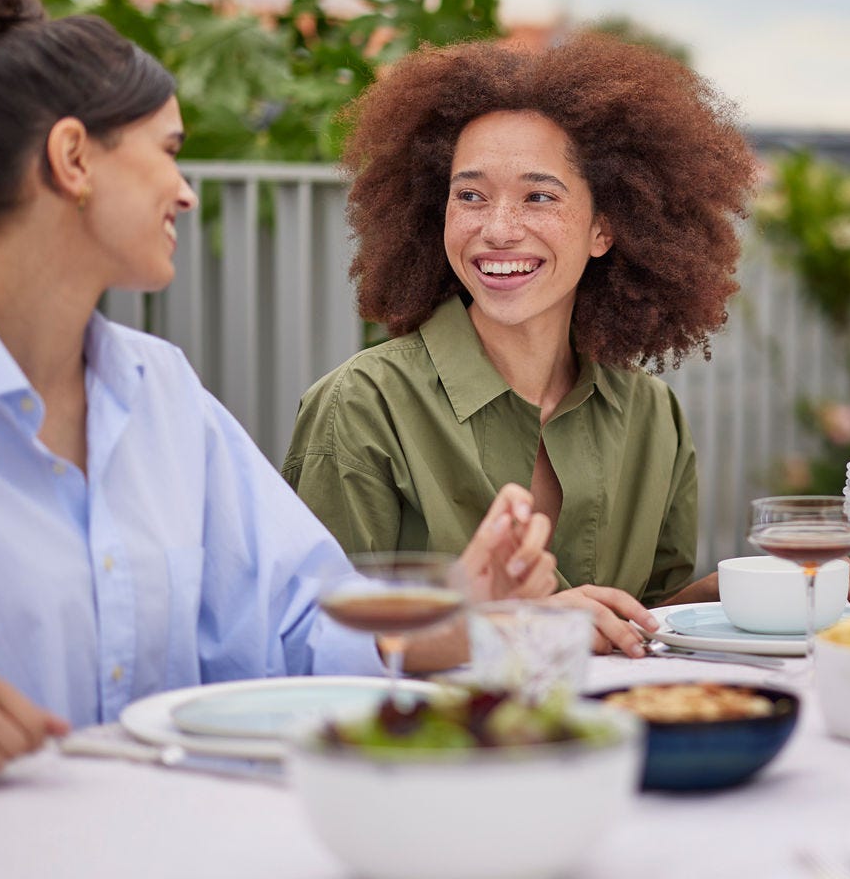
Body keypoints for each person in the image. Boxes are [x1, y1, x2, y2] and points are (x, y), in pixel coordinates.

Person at [0, 0, 553, 786]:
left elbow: (296, 632)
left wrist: (466, 605)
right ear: (73, 159)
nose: (187, 192)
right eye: (168, 149)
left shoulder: (164, 394)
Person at [284, 33, 753, 656]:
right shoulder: (360, 408)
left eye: (539, 197)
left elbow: (638, 629)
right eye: (470, 196)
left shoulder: (651, 415)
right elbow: (318, 649)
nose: (498, 230)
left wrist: (724, 599)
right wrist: (527, 631)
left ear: (604, 228)